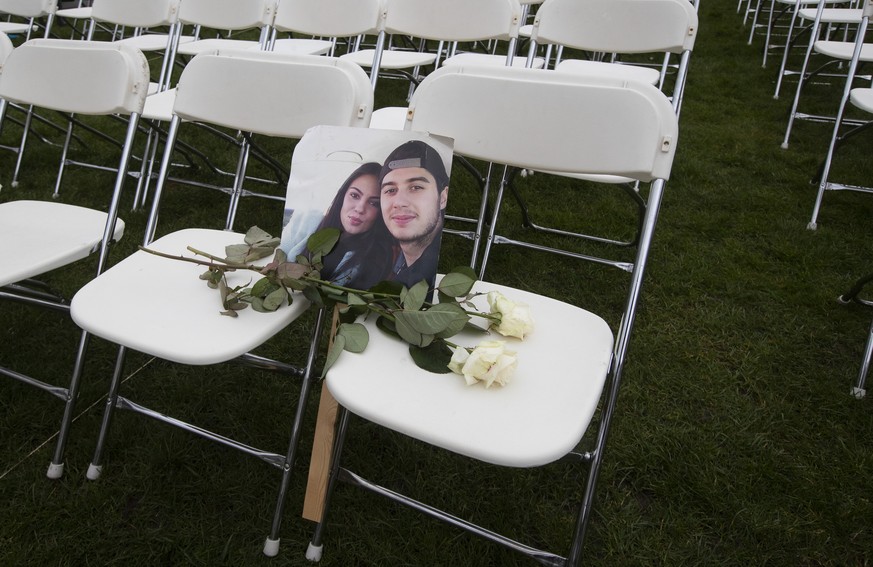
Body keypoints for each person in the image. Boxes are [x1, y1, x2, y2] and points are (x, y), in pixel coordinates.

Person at [284, 162, 393, 289]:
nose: (360, 208)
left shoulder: (374, 260)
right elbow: (280, 254)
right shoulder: (308, 219)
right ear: (343, 196)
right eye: (354, 195)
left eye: (374, 203)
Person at [378, 140, 450, 291]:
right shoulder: (384, 256)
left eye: (416, 187)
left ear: (443, 198)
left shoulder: (442, 283)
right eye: (390, 190)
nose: (399, 202)